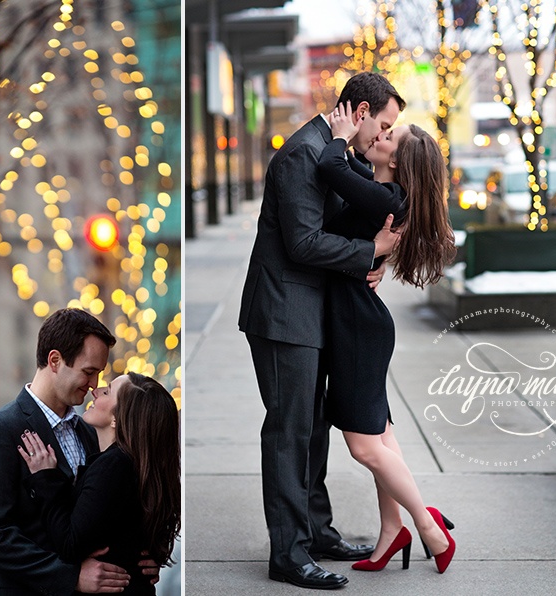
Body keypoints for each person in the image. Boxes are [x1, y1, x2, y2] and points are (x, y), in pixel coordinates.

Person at [238, 71, 404, 590]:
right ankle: (288, 553)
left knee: (312, 427)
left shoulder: (333, 153)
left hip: (309, 310)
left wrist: (365, 263)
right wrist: (370, 252)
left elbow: (338, 224)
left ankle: (316, 530)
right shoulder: (300, 155)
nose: (382, 137)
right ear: (358, 112)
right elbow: (305, 243)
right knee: (289, 432)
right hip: (283, 311)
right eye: (381, 125)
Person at [316, 101, 457, 573]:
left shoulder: (386, 196)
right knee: (381, 437)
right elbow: (349, 179)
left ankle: (428, 525)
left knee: (363, 446)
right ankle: (391, 529)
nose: (380, 135)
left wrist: (339, 132)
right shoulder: (378, 190)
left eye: (389, 136)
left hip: (359, 328)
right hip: (361, 322)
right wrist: (372, 260)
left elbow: (331, 166)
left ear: (397, 161)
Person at [0, 308, 159, 594]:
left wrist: (139, 557)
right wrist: (69, 577)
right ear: (55, 360)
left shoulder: (91, 433)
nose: (94, 385)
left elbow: (97, 518)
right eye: (89, 372)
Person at [17, 372, 181, 595]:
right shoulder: (133, 464)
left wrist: (46, 478)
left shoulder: (114, 466)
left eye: (107, 391)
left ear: (118, 417)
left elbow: (69, 543)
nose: (95, 390)